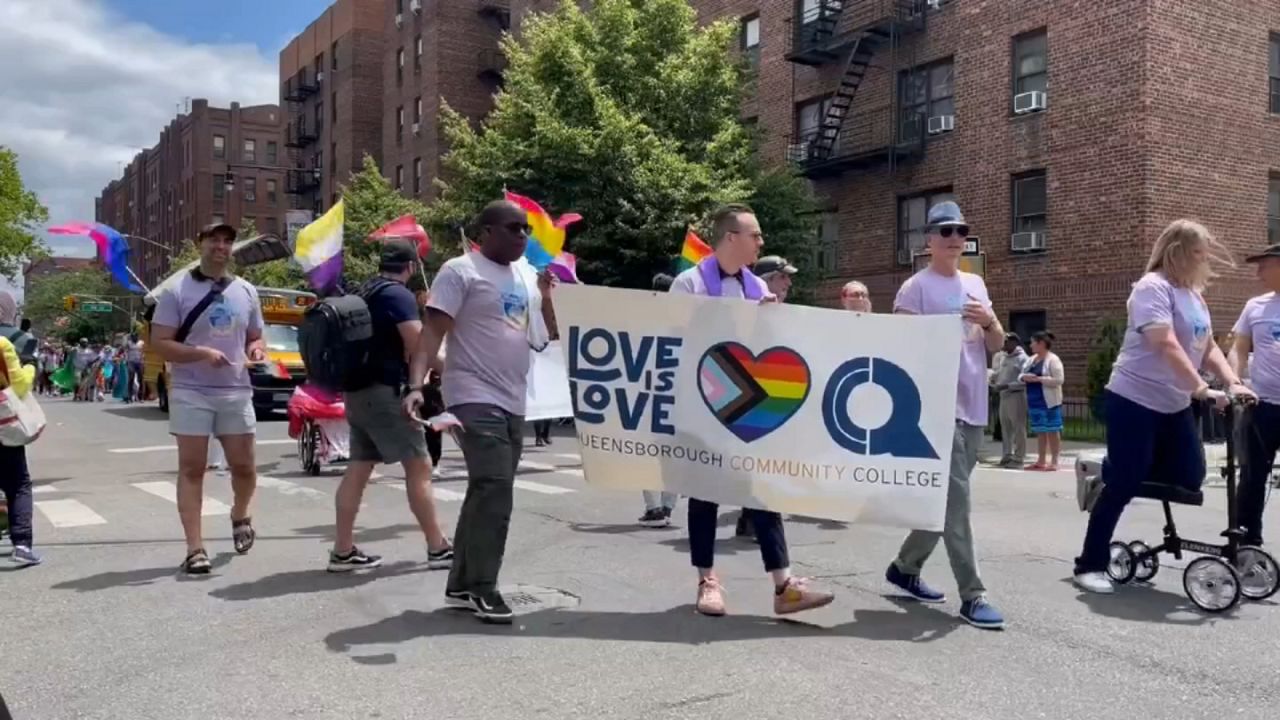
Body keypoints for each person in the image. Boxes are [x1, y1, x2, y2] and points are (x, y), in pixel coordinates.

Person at [669, 204, 834, 617]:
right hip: (705, 403)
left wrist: (770, 321)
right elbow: (673, 339)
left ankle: (784, 586)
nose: (761, 241)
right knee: (705, 491)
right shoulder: (688, 284)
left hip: (750, 404)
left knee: (762, 488)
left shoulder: (758, 289)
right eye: (754, 235)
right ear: (731, 238)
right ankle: (707, 580)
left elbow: (772, 346)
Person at [1072, 219, 1251, 594]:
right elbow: (1165, 342)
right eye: (1198, 253)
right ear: (1176, 252)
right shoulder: (1151, 288)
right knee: (1124, 482)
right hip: (1134, 398)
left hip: (1173, 402)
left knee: (1189, 477)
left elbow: (1208, 346)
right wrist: (1200, 389)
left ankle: (1118, 465)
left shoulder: (1194, 296)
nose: (1203, 261)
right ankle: (1090, 563)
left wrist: (1232, 382)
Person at [403, 200, 556, 623]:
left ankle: (460, 585)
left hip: (513, 399)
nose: (522, 235)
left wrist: (546, 297)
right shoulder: (460, 271)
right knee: (495, 487)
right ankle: (484, 587)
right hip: (472, 395)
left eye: (526, 229)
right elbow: (431, 332)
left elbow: (546, 335)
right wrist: (415, 386)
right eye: (513, 228)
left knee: (485, 489)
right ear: (486, 232)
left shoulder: (524, 276)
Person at [884, 200, 1005, 629]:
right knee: (957, 501)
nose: (955, 238)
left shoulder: (975, 284)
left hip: (973, 405)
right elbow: (901, 349)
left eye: (961, 231)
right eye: (946, 231)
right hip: (936, 408)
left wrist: (989, 322)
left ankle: (905, 567)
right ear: (930, 240)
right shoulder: (914, 288)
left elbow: (996, 345)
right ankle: (973, 594)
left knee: (943, 499)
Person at [329, 240, 454, 572]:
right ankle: (438, 546)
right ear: (410, 267)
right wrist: (457, 371)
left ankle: (342, 550)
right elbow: (418, 344)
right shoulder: (397, 295)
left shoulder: (364, 291)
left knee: (358, 468)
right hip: (384, 393)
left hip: (356, 392)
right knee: (419, 466)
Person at [151, 223, 266, 574]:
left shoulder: (246, 290)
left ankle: (240, 514)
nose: (221, 246)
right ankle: (195, 548)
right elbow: (161, 342)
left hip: (235, 390)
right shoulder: (175, 290)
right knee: (192, 468)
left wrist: (256, 350)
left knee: (244, 467)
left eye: (227, 241)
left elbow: (256, 335)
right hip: (191, 390)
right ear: (199, 244)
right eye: (214, 240)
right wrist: (200, 353)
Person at [1231, 243, 1280, 547]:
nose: (1258, 272)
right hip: (1261, 406)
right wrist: (1235, 381)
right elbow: (1238, 349)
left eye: (1264, 265)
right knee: (1251, 477)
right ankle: (1247, 543)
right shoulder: (1255, 306)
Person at [0, 291, 40, 566]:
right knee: (18, 483)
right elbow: (22, 384)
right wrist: (30, 367)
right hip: (6, 420)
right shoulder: (19, 339)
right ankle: (22, 544)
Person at [639, 272, 679, 528]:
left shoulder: (648, 320)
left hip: (651, 394)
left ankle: (654, 508)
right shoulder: (685, 320)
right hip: (677, 398)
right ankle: (667, 506)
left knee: (647, 452)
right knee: (673, 455)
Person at [1021, 330, 1065, 470]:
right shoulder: (1031, 359)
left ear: (1041, 344)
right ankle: (1041, 460)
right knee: (1040, 430)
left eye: (1033, 342)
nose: (1031, 345)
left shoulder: (1053, 360)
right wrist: (1024, 377)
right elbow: (1021, 374)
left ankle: (1054, 461)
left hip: (1049, 401)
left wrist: (1039, 379)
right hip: (1034, 400)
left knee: (1053, 430)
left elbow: (1059, 380)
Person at [990, 333, 1028, 468]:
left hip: (1016, 396)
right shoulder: (1003, 357)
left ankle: (1019, 457)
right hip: (1003, 396)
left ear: (1014, 343)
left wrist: (1007, 385)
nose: (1003, 344)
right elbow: (999, 374)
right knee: (1005, 428)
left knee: (1018, 428)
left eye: (1005, 342)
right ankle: (1006, 456)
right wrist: (992, 379)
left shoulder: (1023, 359)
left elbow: (1025, 381)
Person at [126, 333, 145, 403]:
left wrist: (143, 359)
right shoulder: (129, 343)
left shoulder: (142, 343)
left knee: (141, 379)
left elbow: (144, 351)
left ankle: (141, 397)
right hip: (131, 362)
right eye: (133, 337)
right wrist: (126, 360)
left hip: (140, 362)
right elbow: (126, 352)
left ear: (138, 336)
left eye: (135, 336)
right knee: (131, 379)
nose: (134, 338)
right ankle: (130, 397)